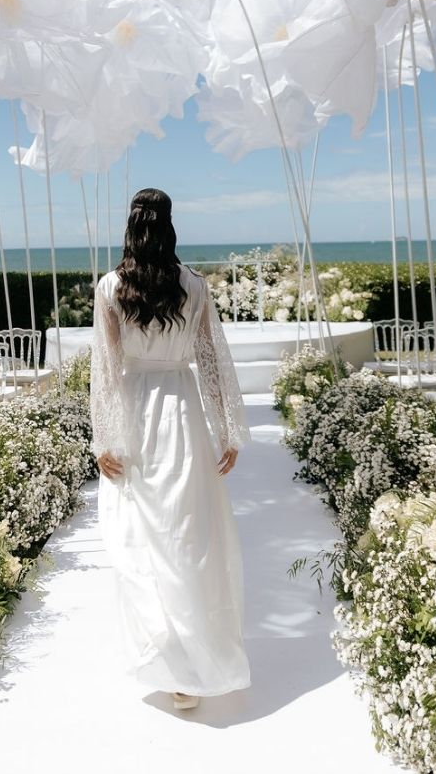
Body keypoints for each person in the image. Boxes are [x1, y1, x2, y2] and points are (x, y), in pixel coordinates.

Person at [90, 188, 251, 709]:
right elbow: (210, 361)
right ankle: (186, 663)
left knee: (140, 538)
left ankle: (168, 656)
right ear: (170, 227)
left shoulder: (110, 287)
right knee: (187, 535)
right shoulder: (195, 287)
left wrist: (105, 438)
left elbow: (107, 371)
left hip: (135, 414)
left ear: (130, 226)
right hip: (180, 414)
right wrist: (226, 428)